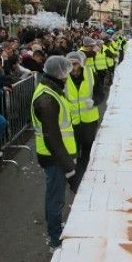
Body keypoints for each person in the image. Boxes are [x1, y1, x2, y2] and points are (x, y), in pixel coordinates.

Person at [31, 56, 78, 248]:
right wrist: (69, 168)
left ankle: (56, 225)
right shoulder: (46, 99)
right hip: (54, 156)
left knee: (57, 195)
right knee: (55, 197)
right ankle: (54, 236)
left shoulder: (52, 90)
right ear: (58, 73)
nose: (68, 75)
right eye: (66, 72)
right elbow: (52, 137)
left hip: (59, 154)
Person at [64, 51, 101, 177]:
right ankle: (75, 174)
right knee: (73, 148)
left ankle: (86, 171)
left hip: (89, 119)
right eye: (70, 64)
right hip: (71, 120)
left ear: (80, 63)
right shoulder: (63, 77)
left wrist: (94, 101)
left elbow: (100, 93)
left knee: (88, 146)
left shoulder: (91, 74)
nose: (73, 67)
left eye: (75, 64)